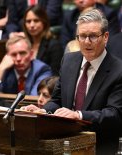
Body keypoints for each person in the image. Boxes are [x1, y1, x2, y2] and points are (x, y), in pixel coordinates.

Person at [23, 9, 122, 155]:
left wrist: (79, 115)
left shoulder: (118, 70)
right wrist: (43, 111)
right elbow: (57, 100)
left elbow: (114, 114)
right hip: (65, 144)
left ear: (106, 37)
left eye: (93, 36)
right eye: (82, 36)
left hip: (100, 147)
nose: (87, 42)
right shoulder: (69, 60)